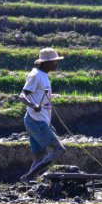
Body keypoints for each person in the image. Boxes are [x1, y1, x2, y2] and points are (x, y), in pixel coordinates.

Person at [18, 48, 66, 185]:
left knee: (40, 156)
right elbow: (22, 96)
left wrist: (48, 122)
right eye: (54, 62)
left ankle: (27, 182)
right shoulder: (35, 75)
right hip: (36, 121)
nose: (56, 64)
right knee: (59, 150)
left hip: (39, 120)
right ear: (46, 62)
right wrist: (33, 106)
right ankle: (28, 177)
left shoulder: (43, 75)